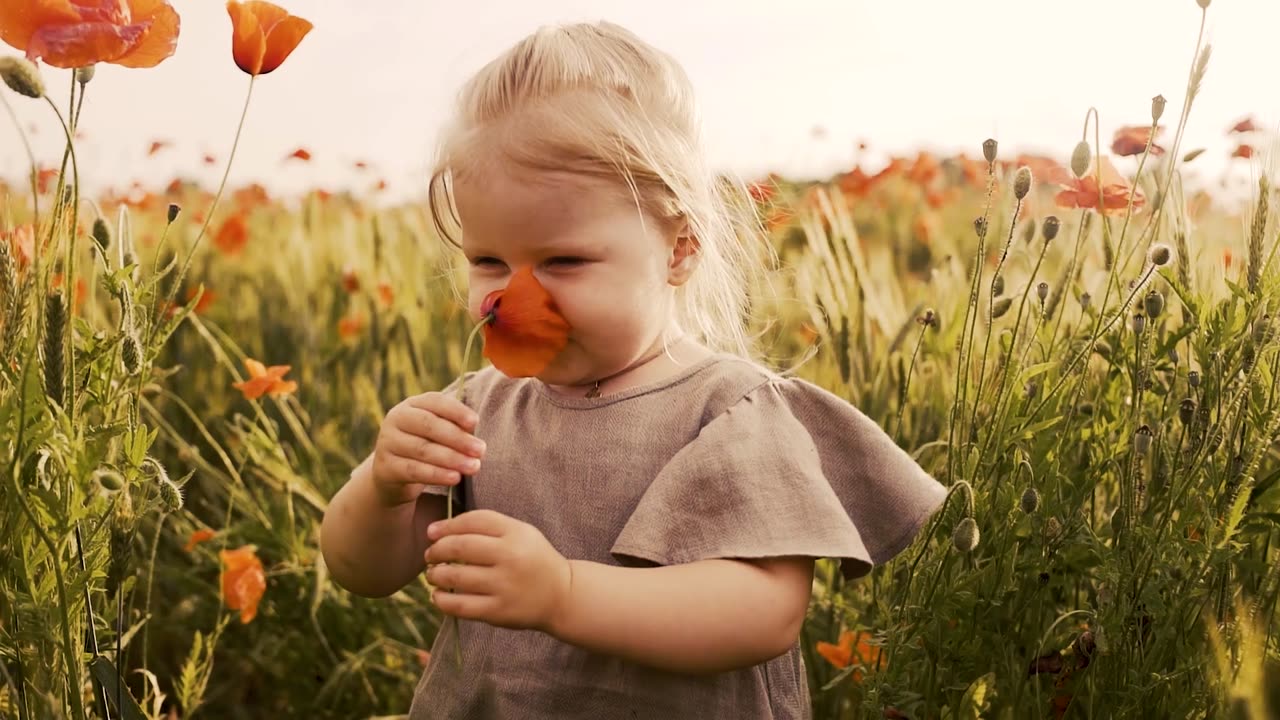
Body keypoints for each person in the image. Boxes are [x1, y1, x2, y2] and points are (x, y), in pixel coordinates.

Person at [319, 20, 946, 719]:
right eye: (487, 261)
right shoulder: (476, 413)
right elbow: (362, 572)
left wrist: (562, 593)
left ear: (678, 250)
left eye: (563, 262)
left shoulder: (729, 412)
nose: (511, 296)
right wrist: (383, 488)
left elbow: (763, 612)